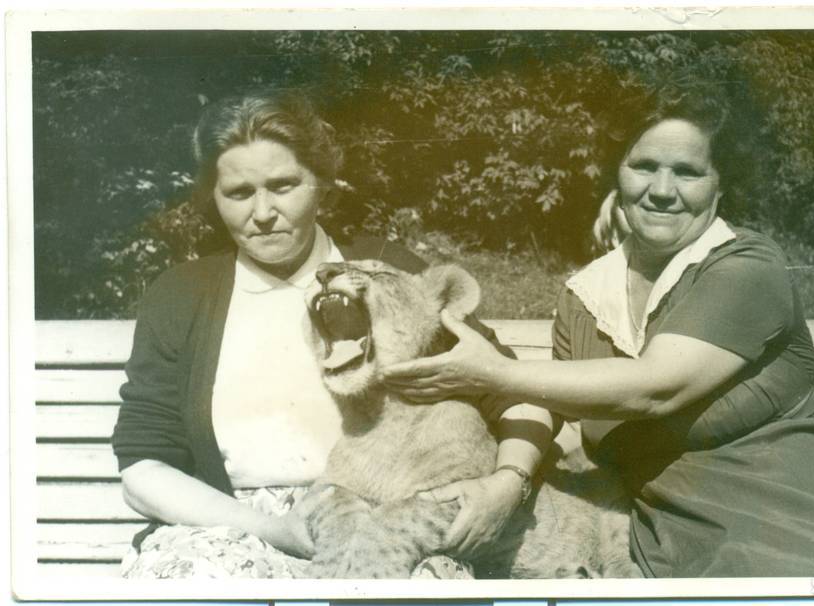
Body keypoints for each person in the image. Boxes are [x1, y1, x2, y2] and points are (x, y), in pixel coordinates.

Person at [381, 84, 814, 578]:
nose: (662, 190)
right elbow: (556, 412)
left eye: (687, 172)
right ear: (617, 175)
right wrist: (508, 480)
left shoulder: (746, 267)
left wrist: (496, 372)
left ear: (720, 187)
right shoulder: (584, 298)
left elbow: (654, 387)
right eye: (644, 166)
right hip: (681, 558)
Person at [111, 90, 555, 579]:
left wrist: (506, 485)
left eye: (283, 186)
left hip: (386, 521)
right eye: (238, 193)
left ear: (321, 185)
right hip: (235, 527)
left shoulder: (387, 271)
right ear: (213, 199)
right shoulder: (182, 295)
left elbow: (514, 390)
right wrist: (274, 530)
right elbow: (143, 468)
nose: (263, 212)